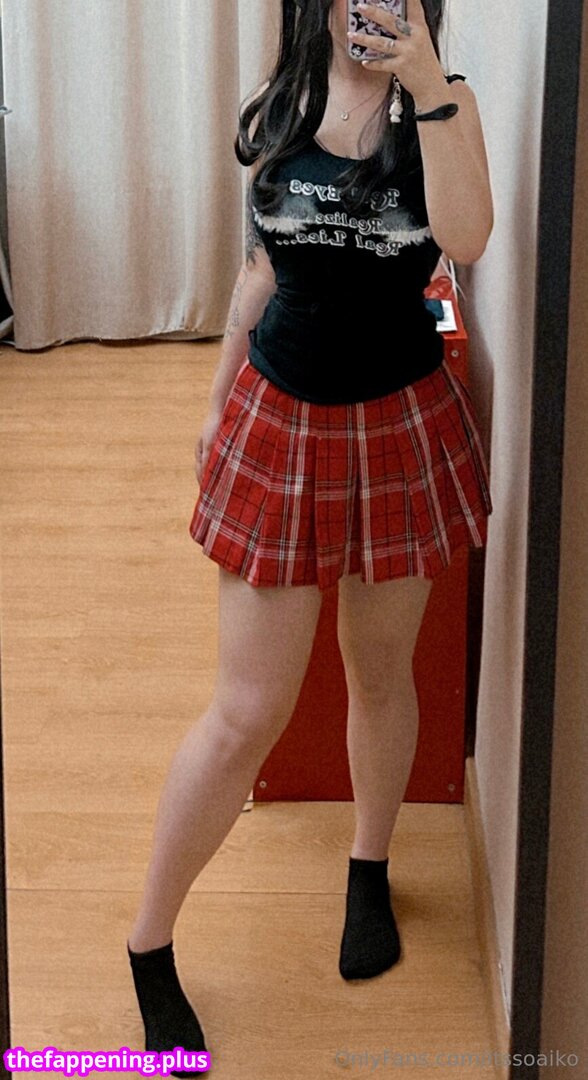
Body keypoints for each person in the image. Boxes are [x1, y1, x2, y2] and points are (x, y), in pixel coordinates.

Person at [127, 0, 494, 1072]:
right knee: (246, 713)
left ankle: (369, 869)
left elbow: (467, 239)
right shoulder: (283, 99)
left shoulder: (444, 106)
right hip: (281, 417)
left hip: (400, 424)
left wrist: (426, 88)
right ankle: (149, 945)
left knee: (379, 673)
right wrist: (215, 395)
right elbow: (264, 266)